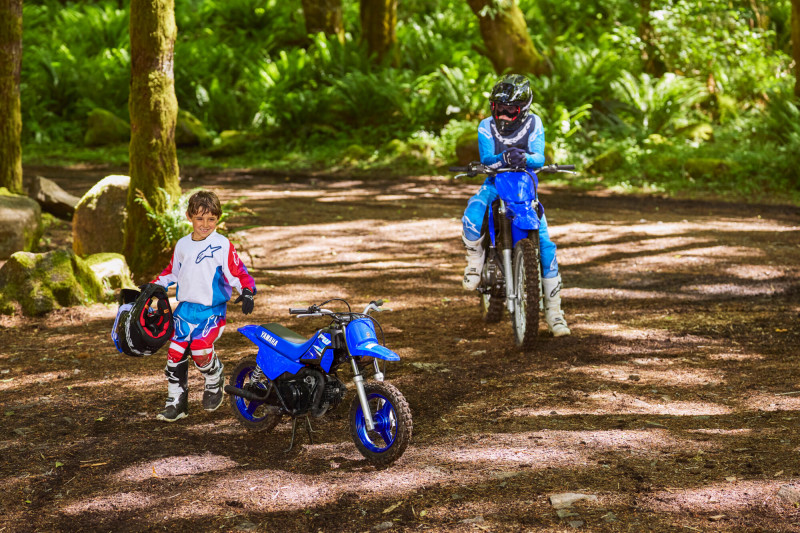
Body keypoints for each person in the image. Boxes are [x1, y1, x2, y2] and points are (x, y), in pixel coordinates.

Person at [461, 74, 570, 337]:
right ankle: (474, 261)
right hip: (495, 182)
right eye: (499, 108)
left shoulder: (535, 123)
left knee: (546, 246)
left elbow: (539, 156)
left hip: (524, 187)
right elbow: (487, 158)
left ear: (523, 109)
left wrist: (527, 159)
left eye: (510, 110)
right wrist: (504, 157)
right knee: (473, 213)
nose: (503, 115)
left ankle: (554, 313)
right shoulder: (486, 126)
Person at [148, 190, 257, 422]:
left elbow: (238, 272)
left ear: (218, 218)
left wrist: (247, 291)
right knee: (174, 353)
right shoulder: (182, 245)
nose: (205, 224)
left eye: (211, 219)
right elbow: (172, 272)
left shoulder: (222, 244)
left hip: (212, 312)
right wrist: (153, 286)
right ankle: (176, 403)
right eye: (199, 218)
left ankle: (214, 376)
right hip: (185, 310)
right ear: (189, 217)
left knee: (199, 349)